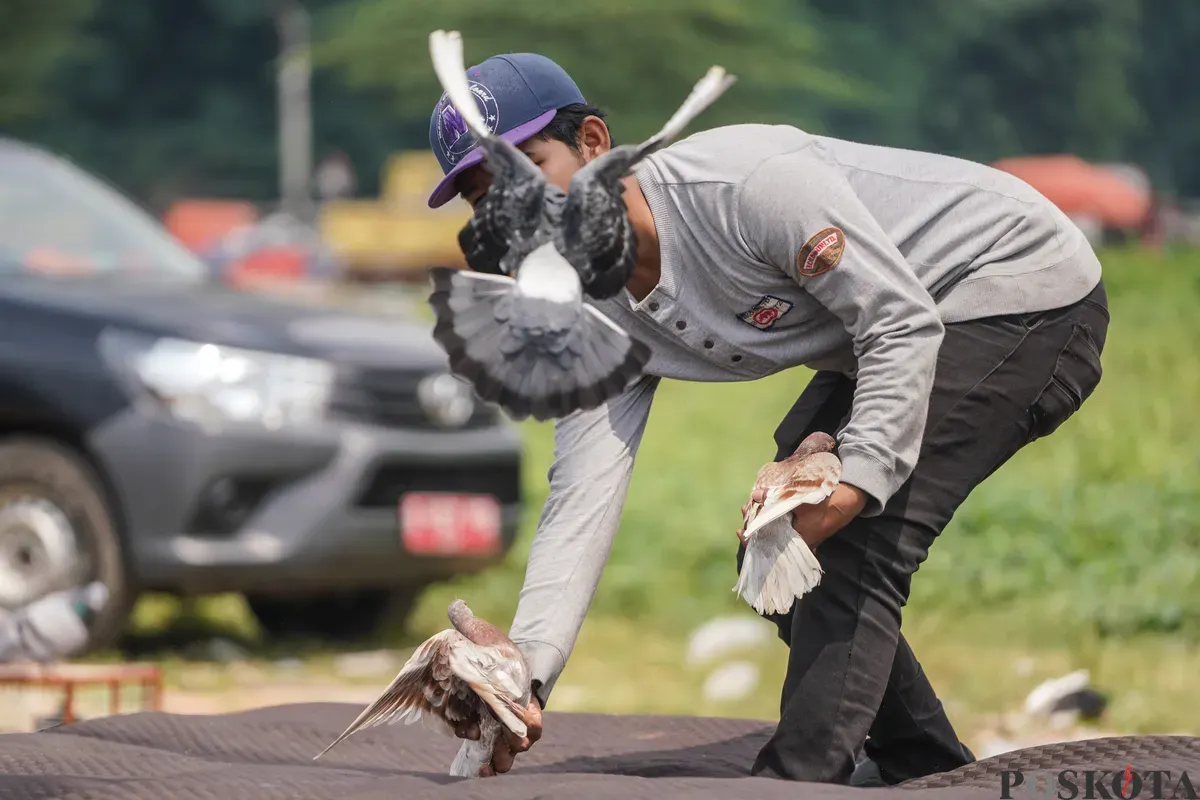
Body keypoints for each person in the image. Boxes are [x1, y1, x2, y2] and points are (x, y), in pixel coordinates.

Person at [426, 52, 1109, 785]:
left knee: (850, 534)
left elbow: (900, 323)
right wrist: (525, 677)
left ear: (594, 142)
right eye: (483, 197)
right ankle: (926, 770)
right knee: (780, 548)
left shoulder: (743, 186)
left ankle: (796, 780)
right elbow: (580, 499)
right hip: (892, 332)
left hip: (1018, 294)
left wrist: (856, 483)